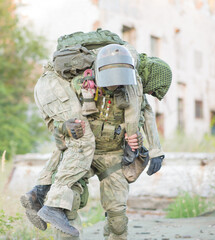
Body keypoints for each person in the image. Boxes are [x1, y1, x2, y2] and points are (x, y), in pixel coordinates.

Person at [21, 29, 172, 239]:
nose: (114, 84)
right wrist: (66, 127)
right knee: (68, 205)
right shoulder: (78, 87)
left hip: (112, 154)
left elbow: (146, 113)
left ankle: (41, 192)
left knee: (118, 218)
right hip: (81, 156)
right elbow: (57, 131)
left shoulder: (132, 89)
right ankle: (45, 196)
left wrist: (156, 151)